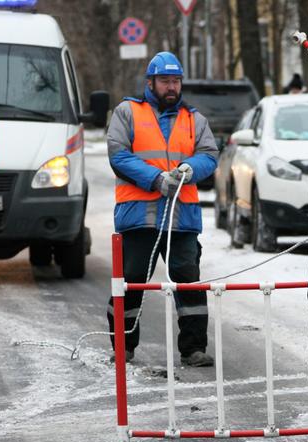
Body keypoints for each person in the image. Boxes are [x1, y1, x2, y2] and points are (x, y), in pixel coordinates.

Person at [106, 51, 218, 367]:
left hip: (182, 219)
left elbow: (209, 154)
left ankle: (193, 348)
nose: (171, 87)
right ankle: (123, 345)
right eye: (165, 81)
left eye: (176, 81)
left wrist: (187, 168)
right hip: (139, 217)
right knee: (130, 281)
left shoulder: (195, 119)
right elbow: (118, 155)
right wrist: (156, 179)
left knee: (188, 282)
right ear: (150, 82)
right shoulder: (127, 112)